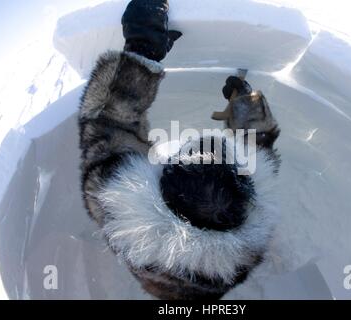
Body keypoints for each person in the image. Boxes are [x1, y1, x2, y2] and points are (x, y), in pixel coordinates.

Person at [79, 0, 281, 300]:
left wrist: (142, 52)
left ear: (159, 184)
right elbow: (259, 150)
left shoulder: (116, 205)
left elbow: (107, 124)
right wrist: (245, 105)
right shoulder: (253, 229)